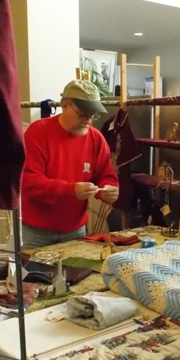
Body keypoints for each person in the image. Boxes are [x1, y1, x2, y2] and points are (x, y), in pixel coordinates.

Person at [20, 79, 119, 249]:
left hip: (75, 229)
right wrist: (71, 190)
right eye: (82, 115)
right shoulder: (38, 132)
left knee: (76, 268)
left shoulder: (96, 139)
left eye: (92, 116)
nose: (88, 121)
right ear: (64, 105)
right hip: (35, 231)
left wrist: (108, 189)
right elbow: (30, 181)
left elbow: (105, 174)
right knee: (32, 268)